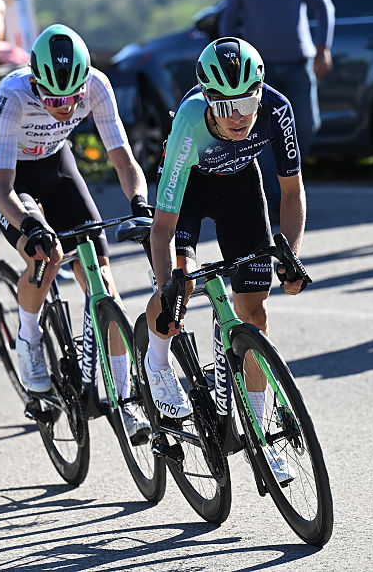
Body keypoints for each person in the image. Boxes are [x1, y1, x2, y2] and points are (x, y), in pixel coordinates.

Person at [142, 37, 306, 481]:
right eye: (224, 103)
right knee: (185, 283)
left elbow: (291, 193)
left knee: (254, 309)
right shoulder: (190, 121)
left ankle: (258, 431)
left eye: (246, 101)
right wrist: (168, 286)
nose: (238, 115)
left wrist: (289, 255)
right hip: (190, 193)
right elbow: (162, 228)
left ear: (259, 91)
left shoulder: (275, 108)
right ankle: (156, 360)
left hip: (241, 189)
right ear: (207, 98)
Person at [0, 23, 151, 440]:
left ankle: (124, 400)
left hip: (58, 167)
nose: (63, 107)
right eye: (53, 98)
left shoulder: (96, 85)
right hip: (12, 176)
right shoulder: (11, 97)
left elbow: (124, 161)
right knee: (47, 255)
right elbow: (1, 190)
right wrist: (30, 226)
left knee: (105, 286)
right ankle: (29, 338)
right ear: (35, 80)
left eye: (71, 98)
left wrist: (140, 204)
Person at [219, 0, 334, 212]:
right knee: (259, 132)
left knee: (307, 124)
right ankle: (271, 200)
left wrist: (323, 48)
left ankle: (286, 182)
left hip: (299, 63)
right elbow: (229, 19)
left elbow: (324, 6)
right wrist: (231, 66)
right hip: (259, 73)